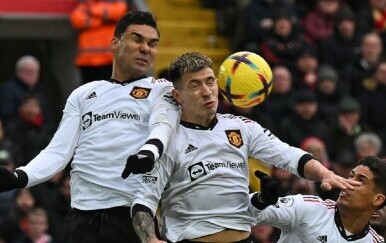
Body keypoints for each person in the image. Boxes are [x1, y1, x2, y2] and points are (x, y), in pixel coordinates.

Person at [127, 52, 360, 243]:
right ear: (177, 95)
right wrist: (149, 239)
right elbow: (143, 201)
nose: (207, 91)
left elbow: (289, 156)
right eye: (195, 85)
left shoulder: (241, 127)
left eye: (210, 81)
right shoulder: (168, 139)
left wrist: (324, 173)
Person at [0, 11, 179, 243]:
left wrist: (149, 152)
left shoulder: (161, 89)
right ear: (115, 43)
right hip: (81, 218)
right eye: (137, 39)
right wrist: (20, 177)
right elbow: (58, 151)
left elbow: (162, 128)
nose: (146, 48)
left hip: (130, 215)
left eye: (152, 44)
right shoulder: (83, 94)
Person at [250, 156, 385, 242]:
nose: (346, 184)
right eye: (350, 176)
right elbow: (245, 210)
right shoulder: (308, 207)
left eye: (361, 181)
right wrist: (261, 200)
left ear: (378, 200)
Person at [70, 0, 128, 84]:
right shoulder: (87, 2)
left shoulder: (115, 2)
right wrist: (102, 21)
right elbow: (76, 19)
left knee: (109, 91)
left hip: (109, 60)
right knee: (88, 94)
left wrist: (91, 11)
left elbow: (117, 12)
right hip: (87, 61)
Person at [0, 55, 52, 127]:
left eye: (35, 71)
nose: (31, 74)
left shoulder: (40, 91)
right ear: (18, 72)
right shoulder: (7, 90)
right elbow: (6, 117)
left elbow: (48, 119)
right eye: (28, 71)